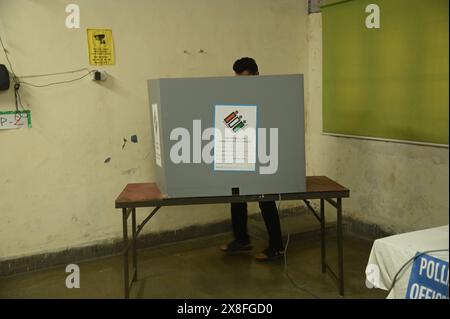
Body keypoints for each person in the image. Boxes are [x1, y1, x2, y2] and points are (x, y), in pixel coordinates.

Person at [220, 57, 284, 261]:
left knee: (266, 201)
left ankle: (277, 246)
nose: (242, 85)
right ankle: (241, 240)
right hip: (243, 152)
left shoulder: (270, 95)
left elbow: (273, 123)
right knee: (237, 197)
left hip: (264, 153)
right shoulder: (236, 95)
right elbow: (232, 121)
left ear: (257, 75)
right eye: (238, 80)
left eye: (246, 79)